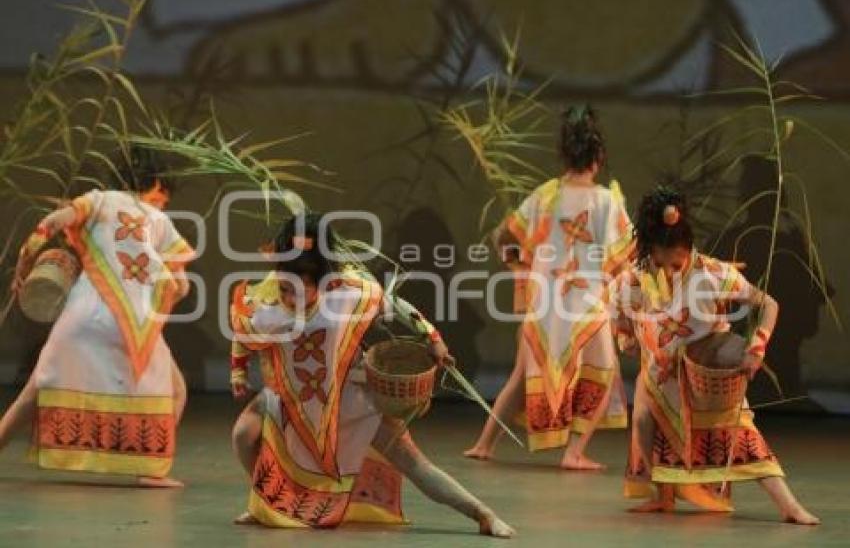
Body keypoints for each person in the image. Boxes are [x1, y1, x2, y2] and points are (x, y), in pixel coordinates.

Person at [229, 212, 515, 537]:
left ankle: (483, 514)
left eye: (298, 289)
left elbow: (399, 306)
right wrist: (237, 374)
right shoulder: (268, 298)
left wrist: (433, 339)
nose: (288, 297)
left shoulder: (349, 294)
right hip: (292, 401)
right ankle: (268, 505)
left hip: (352, 399)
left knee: (414, 464)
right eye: (284, 287)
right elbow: (243, 331)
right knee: (243, 435)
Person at [612, 186, 819, 524]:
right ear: (649, 251)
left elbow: (769, 304)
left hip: (704, 365)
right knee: (642, 421)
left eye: (677, 263)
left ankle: (789, 506)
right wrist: (628, 341)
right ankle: (661, 494)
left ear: (688, 249)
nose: (669, 271)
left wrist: (756, 347)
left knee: (741, 432)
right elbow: (621, 323)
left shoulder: (711, 273)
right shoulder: (631, 280)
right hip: (660, 371)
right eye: (661, 263)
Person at [0, 147, 194, 487]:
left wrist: (24, 265)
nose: (164, 202)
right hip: (132, 325)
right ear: (156, 185)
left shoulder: (98, 201)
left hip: (82, 318)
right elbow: (180, 286)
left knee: (34, 391)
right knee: (175, 391)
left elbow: (50, 224)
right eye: (164, 194)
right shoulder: (160, 221)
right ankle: (150, 471)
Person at [464, 106, 634, 469]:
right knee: (602, 373)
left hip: (545, 302)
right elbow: (625, 252)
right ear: (599, 157)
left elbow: (503, 236)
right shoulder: (606, 200)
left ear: (565, 154)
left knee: (522, 374)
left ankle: (484, 444)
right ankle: (573, 452)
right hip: (586, 300)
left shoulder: (546, 194)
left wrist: (522, 268)